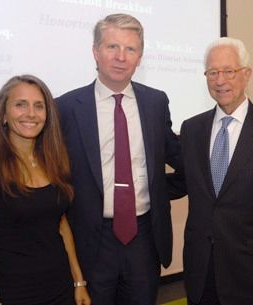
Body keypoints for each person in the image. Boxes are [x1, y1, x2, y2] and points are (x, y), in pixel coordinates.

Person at [56, 13, 181, 305]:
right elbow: (42, 168)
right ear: (96, 51)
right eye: (112, 47)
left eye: (131, 49)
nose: (121, 57)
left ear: (140, 57)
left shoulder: (155, 102)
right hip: (91, 240)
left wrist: (160, 191)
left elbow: (180, 158)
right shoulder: (65, 108)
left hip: (144, 238)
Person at [175, 37, 253, 305]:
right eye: (213, 72)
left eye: (229, 71)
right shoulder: (191, 130)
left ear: (246, 74)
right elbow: (184, 183)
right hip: (202, 270)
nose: (221, 81)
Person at [0, 75, 90, 305]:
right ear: (3, 114)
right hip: (12, 293)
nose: (31, 113)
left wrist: (78, 282)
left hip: (60, 289)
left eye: (38, 106)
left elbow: (61, 224)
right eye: (20, 104)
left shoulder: (54, 161)